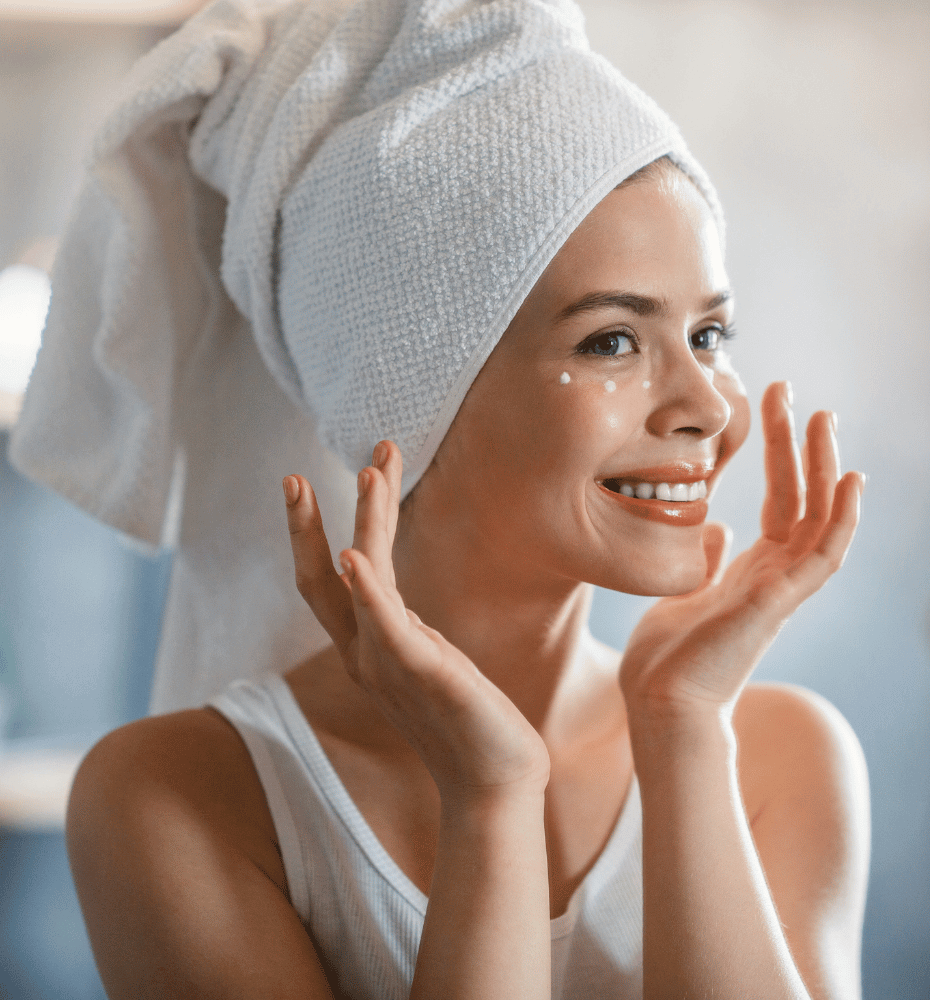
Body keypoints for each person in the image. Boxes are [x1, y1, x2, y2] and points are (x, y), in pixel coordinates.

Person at [11, 0, 869, 996]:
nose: (708, 406)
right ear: (411, 397)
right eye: (611, 341)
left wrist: (680, 727)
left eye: (708, 333)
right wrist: (491, 798)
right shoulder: (177, 799)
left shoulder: (776, 752)